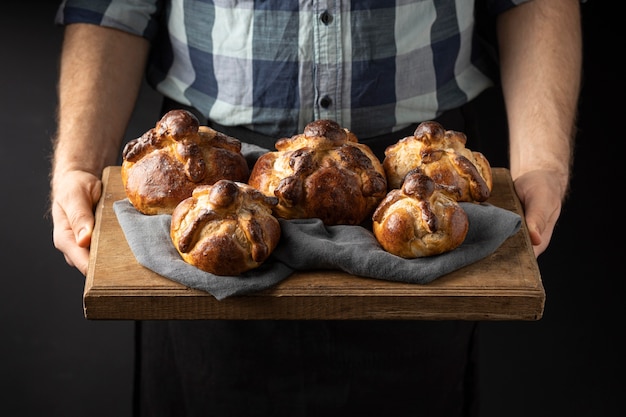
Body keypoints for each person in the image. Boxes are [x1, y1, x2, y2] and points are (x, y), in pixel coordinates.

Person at [49, 1, 582, 416]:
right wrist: (78, 163)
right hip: (210, 174)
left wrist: (543, 164)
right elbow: (110, 9)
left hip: (419, 176)